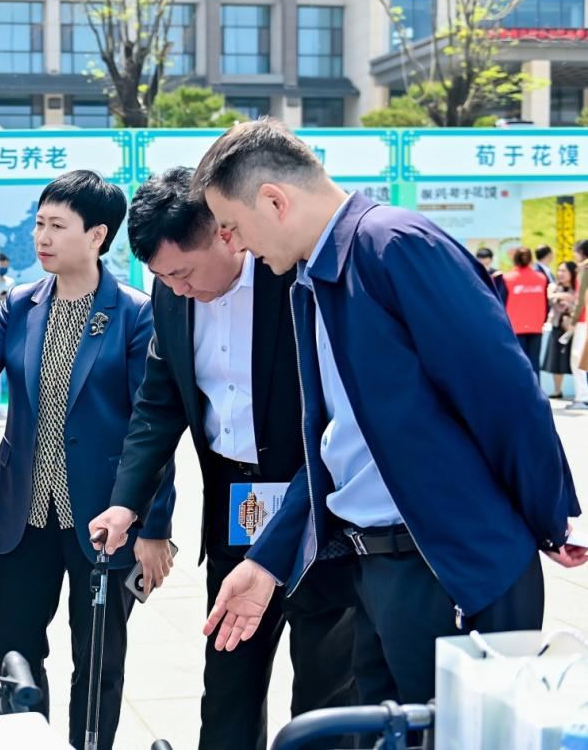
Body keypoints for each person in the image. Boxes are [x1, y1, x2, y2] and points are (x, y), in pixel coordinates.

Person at [193, 119, 583, 711]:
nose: (236, 245)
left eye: (233, 226)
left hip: (448, 566)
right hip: (379, 568)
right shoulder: (316, 281)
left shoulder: (395, 246)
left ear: (273, 200)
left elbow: (504, 395)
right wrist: (267, 559)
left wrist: (549, 513)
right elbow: (339, 448)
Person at [88, 167, 356, 750]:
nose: (177, 288)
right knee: (229, 680)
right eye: (163, 277)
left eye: (183, 272)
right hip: (239, 508)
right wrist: (126, 503)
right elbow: (158, 404)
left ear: (224, 233)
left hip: (315, 503)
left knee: (325, 685)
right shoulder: (171, 295)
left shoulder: (293, 279)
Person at [0, 171, 161, 750]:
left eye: (58, 225)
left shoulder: (134, 314)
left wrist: (154, 528)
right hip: (25, 515)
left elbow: (151, 428)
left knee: (98, 658)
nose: (42, 237)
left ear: (98, 235)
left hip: (103, 520)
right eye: (39, 223)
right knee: (13, 649)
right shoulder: (20, 305)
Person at [502, 246, 550, 375]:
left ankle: (519, 388)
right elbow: (546, 303)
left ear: (515, 259)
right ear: (530, 259)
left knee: (518, 363)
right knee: (534, 363)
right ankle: (535, 388)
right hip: (536, 326)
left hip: (515, 327)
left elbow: (501, 303)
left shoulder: (507, 278)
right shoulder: (541, 278)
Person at [544, 260, 578, 399]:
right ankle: (557, 390)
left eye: (564, 271)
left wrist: (568, 301)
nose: (560, 273)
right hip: (557, 326)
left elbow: (579, 303)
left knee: (576, 359)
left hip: (574, 328)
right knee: (556, 359)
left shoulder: (578, 286)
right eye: (559, 270)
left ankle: (580, 392)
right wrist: (565, 297)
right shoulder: (553, 286)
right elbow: (550, 299)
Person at [571, 240, 588, 409]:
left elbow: (581, 297)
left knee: (578, 358)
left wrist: (573, 320)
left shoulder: (584, 269)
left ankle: (582, 397)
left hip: (583, 320)